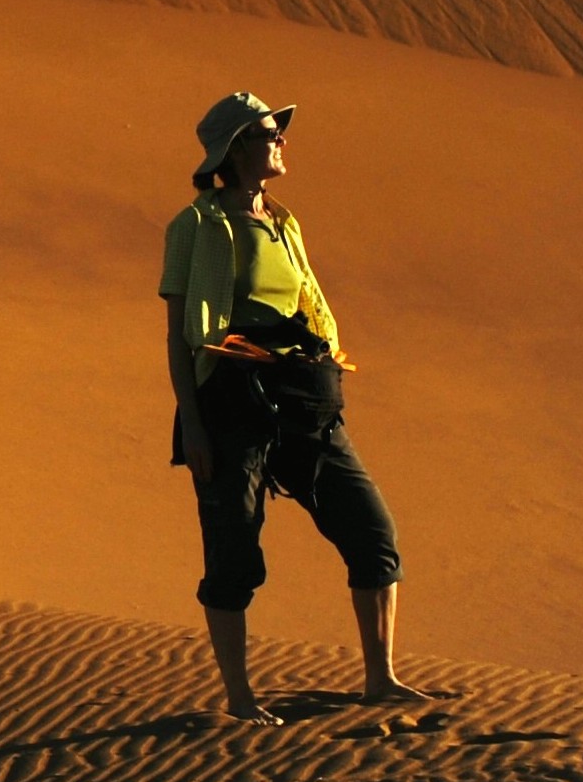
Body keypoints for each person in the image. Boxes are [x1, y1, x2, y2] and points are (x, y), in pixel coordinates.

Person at [158, 90, 434, 724]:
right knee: (233, 551)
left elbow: (307, 305)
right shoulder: (195, 227)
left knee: (373, 534)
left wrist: (326, 366)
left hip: (303, 400)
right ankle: (240, 696)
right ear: (236, 149)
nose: (281, 140)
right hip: (230, 401)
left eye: (278, 131)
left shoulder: (285, 222)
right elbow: (180, 335)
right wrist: (193, 425)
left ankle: (380, 677)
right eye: (268, 133)